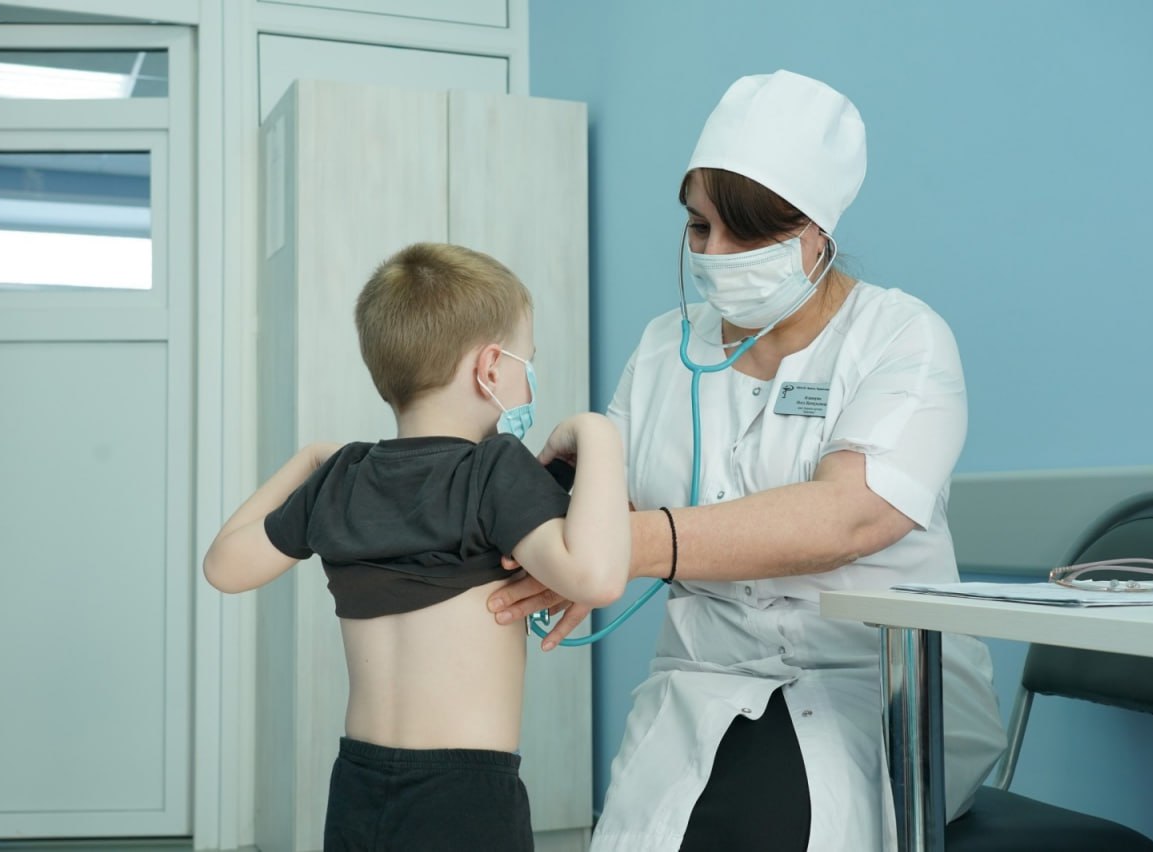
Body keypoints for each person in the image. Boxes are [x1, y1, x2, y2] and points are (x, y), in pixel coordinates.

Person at [487, 71, 1008, 851]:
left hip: (872, 693)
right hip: (701, 684)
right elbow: (611, 508)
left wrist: (624, 545)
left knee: (753, 821)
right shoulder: (665, 347)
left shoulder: (902, 338)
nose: (716, 255)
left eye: (749, 234)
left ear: (818, 232)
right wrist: (564, 501)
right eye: (700, 228)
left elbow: (847, 517)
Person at [203, 242, 630, 852]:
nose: (529, 378)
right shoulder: (494, 468)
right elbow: (597, 576)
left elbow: (224, 567)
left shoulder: (341, 477)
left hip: (358, 787)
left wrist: (309, 460)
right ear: (490, 368)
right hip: (466, 798)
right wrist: (597, 432)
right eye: (526, 363)